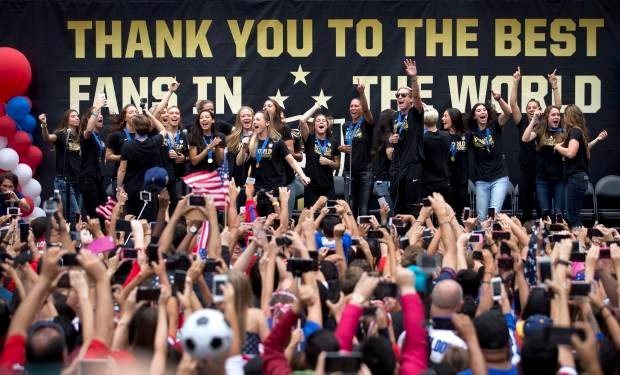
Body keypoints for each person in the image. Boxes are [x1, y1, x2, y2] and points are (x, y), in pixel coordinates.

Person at [510, 67, 560, 221]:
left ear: (540, 109)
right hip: (526, 169)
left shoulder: (545, 122)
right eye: (529, 108)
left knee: (541, 208)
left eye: (534, 107)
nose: (532, 109)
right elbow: (512, 104)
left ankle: (543, 237)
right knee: (525, 208)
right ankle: (524, 237)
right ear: (526, 112)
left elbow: (557, 107)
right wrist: (515, 82)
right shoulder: (523, 121)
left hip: (541, 170)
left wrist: (554, 85)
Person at [554, 104, 607, 227]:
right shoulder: (579, 131)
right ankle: (581, 242)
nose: (563, 118)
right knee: (573, 215)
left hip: (575, 178)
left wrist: (557, 147)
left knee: (572, 217)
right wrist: (598, 139)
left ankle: (580, 244)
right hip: (580, 178)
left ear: (570, 116)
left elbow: (571, 153)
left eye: (564, 115)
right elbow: (584, 149)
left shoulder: (574, 131)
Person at [238, 111, 310, 194]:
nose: (254, 122)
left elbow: (292, 161)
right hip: (256, 190)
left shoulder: (277, 141)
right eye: (254, 120)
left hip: (275, 189)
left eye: (258, 119)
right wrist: (243, 147)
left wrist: (303, 176)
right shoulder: (251, 141)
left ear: (267, 123)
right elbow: (239, 162)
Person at [468, 91, 512, 220]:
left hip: (499, 177)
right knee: (481, 217)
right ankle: (482, 239)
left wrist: (499, 99)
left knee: (494, 214)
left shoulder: (495, 126)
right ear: (474, 116)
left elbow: (508, 113)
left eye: (484, 110)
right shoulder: (471, 134)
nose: (482, 112)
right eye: (479, 111)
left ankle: (493, 240)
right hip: (481, 180)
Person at [117, 110, 167, 220]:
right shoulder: (155, 141)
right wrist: (150, 115)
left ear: (134, 128)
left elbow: (122, 170)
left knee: (131, 221)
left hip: (132, 188)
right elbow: (163, 130)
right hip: (149, 189)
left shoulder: (127, 145)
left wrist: (119, 186)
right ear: (149, 127)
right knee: (148, 223)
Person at [389, 60, 424, 214]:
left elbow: (417, 97)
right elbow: (391, 138)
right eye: (397, 95)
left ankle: (415, 237)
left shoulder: (416, 113)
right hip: (397, 167)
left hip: (413, 166)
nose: (399, 97)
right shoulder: (395, 117)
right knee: (398, 208)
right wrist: (390, 140)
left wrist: (414, 78)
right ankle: (399, 237)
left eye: (403, 95)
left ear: (410, 99)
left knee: (413, 207)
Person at [521, 105, 566, 217]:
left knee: (559, 214)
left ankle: (559, 233)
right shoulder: (540, 130)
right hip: (542, 180)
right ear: (547, 117)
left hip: (559, 179)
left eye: (558, 115)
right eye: (553, 115)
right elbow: (525, 138)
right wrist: (534, 121)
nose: (556, 117)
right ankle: (545, 234)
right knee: (545, 214)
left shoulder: (564, 132)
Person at [339, 80, 374, 216]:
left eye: (356, 106)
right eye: (351, 106)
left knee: (363, 209)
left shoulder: (367, 123)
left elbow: (367, 111)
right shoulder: (346, 126)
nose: (353, 108)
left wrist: (362, 93)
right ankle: (351, 235)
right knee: (350, 207)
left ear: (361, 109)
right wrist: (341, 148)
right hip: (349, 172)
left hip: (365, 172)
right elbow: (348, 145)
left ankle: (363, 236)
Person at [39, 110, 82, 221]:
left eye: (77, 116)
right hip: (64, 180)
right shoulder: (62, 134)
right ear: (66, 119)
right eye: (73, 116)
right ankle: (72, 237)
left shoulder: (80, 136)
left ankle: (72, 236)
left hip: (78, 180)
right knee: (75, 213)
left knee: (76, 215)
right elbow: (47, 138)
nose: (77, 118)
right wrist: (44, 125)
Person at [264, 99, 303, 213]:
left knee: (285, 216)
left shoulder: (283, 128)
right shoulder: (260, 129)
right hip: (267, 179)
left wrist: (276, 149)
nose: (266, 107)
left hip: (285, 178)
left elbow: (289, 151)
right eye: (264, 105)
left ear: (276, 109)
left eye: (269, 105)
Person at [299, 103, 340, 205]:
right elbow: (302, 120)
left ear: (327, 125)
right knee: (311, 217)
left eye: (323, 121)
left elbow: (337, 165)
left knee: (330, 217)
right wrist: (315, 107)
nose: (321, 122)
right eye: (318, 121)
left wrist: (329, 162)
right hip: (311, 187)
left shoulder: (334, 142)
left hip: (328, 187)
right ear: (314, 125)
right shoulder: (309, 138)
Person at [79, 97, 107, 218]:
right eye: (97, 115)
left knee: (104, 214)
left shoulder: (98, 137)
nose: (100, 116)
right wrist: (97, 107)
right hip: (88, 179)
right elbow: (89, 129)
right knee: (95, 214)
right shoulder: (86, 135)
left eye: (101, 114)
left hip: (97, 178)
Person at [442, 108, 470, 219]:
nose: (442, 119)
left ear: (453, 118)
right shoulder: (442, 136)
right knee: (446, 215)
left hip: (461, 182)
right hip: (446, 182)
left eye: (445, 116)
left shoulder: (466, 135)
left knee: (459, 215)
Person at [106, 104, 138, 192]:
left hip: (137, 178)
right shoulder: (117, 135)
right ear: (124, 118)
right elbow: (108, 157)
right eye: (131, 112)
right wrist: (123, 157)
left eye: (136, 112)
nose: (134, 114)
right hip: (121, 179)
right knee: (121, 205)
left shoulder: (142, 134)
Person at [421, 107, 451, 199]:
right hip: (445, 181)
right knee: (444, 211)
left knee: (427, 212)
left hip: (428, 183)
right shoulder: (446, 136)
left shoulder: (423, 138)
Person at [372, 109, 395, 213]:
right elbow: (390, 155)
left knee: (385, 212)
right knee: (391, 213)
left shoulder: (378, 135)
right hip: (386, 181)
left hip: (379, 181)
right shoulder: (389, 137)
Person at [227, 106, 254, 188]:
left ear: (253, 118)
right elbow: (232, 163)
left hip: (254, 180)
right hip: (235, 181)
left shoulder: (259, 137)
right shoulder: (232, 138)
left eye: (249, 115)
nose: (246, 118)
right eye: (243, 116)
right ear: (239, 120)